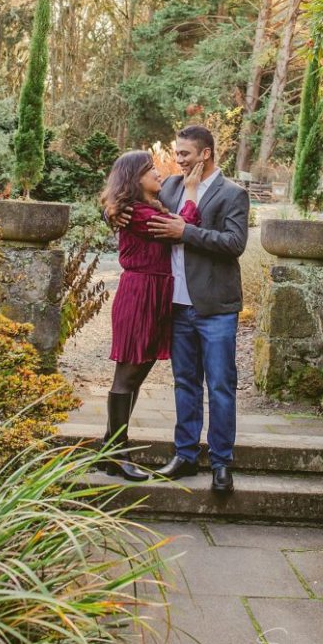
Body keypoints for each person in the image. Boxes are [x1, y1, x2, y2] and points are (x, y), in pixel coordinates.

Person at [146, 125, 249, 494]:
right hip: (177, 306)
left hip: (216, 307)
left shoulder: (233, 193)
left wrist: (185, 233)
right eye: (177, 152)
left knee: (221, 386)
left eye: (185, 153)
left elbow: (235, 243)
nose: (179, 159)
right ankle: (185, 455)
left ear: (205, 154)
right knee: (185, 383)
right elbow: (139, 203)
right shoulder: (171, 188)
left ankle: (221, 462)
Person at [99, 149, 202, 481]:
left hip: (155, 295)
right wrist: (191, 192)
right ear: (134, 178)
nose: (158, 173)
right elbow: (186, 225)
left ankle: (107, 449)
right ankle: (117, 452)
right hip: (139, 294)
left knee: (136, 376)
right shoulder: (136, 213)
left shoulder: (142, 209)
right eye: (150, 169)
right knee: (126, 377)